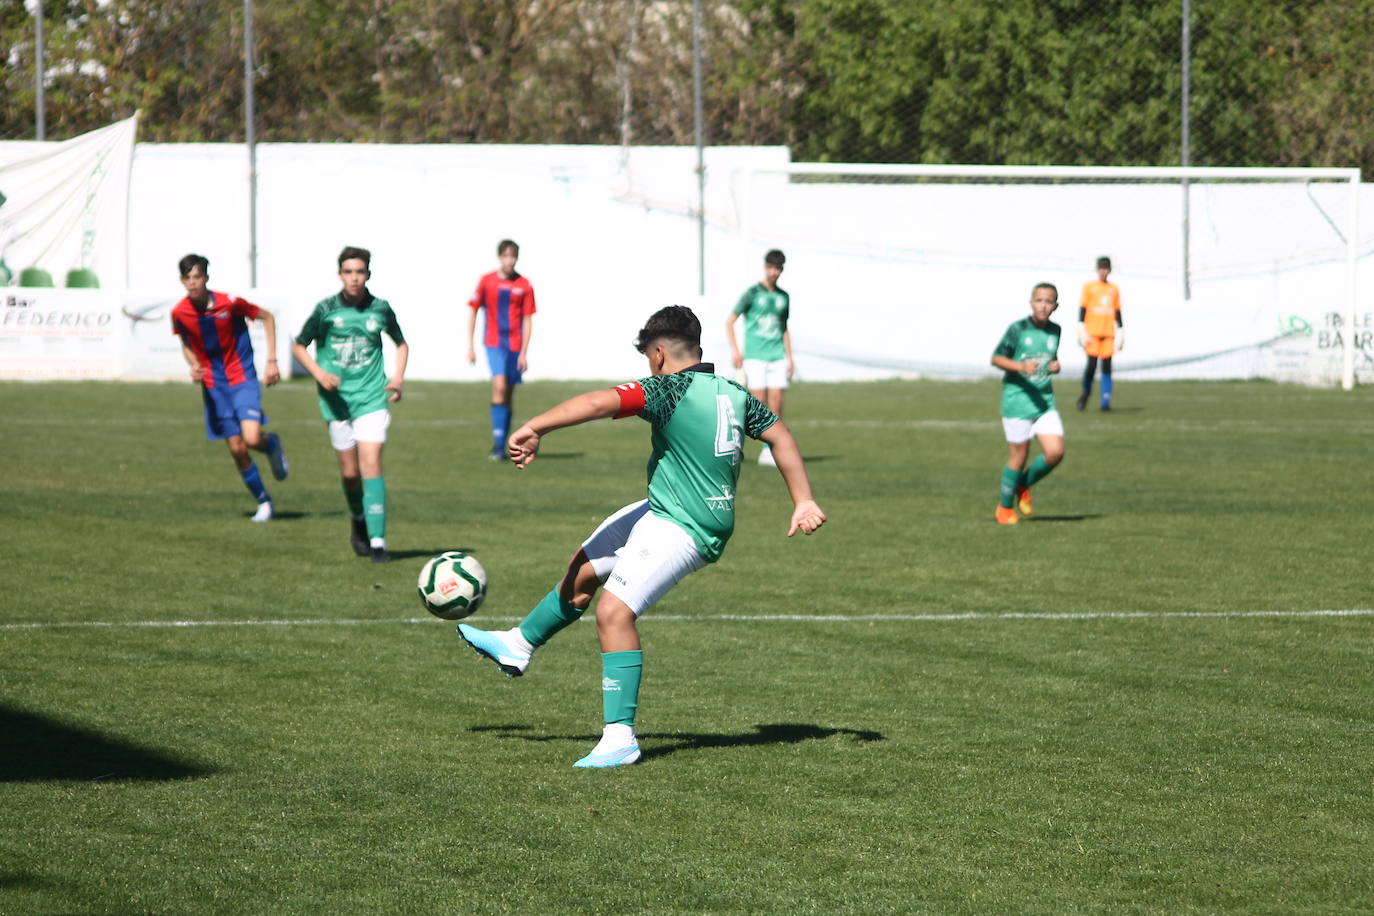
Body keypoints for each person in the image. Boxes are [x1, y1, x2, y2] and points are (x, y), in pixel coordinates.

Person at [455, 305, 827, 768]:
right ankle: (520, 643)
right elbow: (781, 436)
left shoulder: (668, 389)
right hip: (666, 508)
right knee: (584, 567)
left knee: (613, 612)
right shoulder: (733, 392)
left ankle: (620, 738)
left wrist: (535, 426)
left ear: (657, 355)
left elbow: (596, 403)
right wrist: (803, 499)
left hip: (686, 525)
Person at [292, 246, 409, 563]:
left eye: (360, 272)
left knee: (371, 464)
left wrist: (397, 378)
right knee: (350, 473)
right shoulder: (326, 310)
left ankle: (378, 541)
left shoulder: (380, 309)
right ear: (340, 274)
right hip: (337, 403)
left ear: (368, 274)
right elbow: (300, 345)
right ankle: (358, 518)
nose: (354, 278)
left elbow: (401, 343)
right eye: (349, 272)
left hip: (371, 397)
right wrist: (319, 373)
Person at [170, 253, 288, 522]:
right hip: (213, 386)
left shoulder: (230, 303)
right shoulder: (180, 313)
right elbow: (186, 344)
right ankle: (264, 502)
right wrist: (194, 364)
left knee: (251, 439)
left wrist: (272, 361)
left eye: (197, 276)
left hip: (242, 378)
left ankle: (271, 444)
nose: (193, 283)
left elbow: (267, 318)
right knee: (236, 448)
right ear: (182, 281)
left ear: (206, 278)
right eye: (187, 278)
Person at [991, 282, 1065, 525]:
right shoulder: (1018, 329)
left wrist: (1055, 366)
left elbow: (1049, 359)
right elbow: (997, 358)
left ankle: (1023, 483)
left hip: (1044, 401)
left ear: (1055, 306)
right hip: (1017, 401)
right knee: (1019, 456)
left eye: (1048, 301)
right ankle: (1003, 509)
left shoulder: (1056, 330)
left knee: (1055, 452)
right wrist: (1021, 367)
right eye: (1039, 301)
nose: (1043, 306)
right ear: (1031, 302)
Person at [466, 239, 536, 460]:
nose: (509, 260)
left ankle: (503, 444)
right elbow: (474, 310)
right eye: (506, 256)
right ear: (499, 257)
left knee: (508, 394)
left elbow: (527, 319)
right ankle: (497, 446)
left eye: (513, 256)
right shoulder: (487, 281)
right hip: (494, 343)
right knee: (499, 386)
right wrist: (470, 345)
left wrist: (524, 351)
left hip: (515, 346)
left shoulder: (524, 285)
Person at [725, 248, 794, 466]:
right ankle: (735, 444)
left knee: (776, 402)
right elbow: (730, 321)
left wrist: (790, 357)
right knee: (757, 404)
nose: (774, 272)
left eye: (777, 269)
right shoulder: (752, 293)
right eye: (771, 268)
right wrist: (735, 349)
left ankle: (768, 449)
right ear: (765, 267)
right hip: (755, 355)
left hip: (777, 355)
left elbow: (783, 328)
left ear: (781, 270)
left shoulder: (784, 297)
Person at [1076, 255, 1124, 411]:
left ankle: (1105, 401)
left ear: (1109, 270)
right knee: (1091, 366)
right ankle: (1085, 394)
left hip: (1108, 333)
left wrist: (1121, 331)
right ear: (1097, 270)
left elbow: (1117, 311)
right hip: (1092, 333)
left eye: (1106, 268)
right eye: (1101, 268)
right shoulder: (1089, 287)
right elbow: (1083, 308)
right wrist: (1081, 328)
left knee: (1107, 367)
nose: (1103, 272)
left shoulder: (1113, 289)